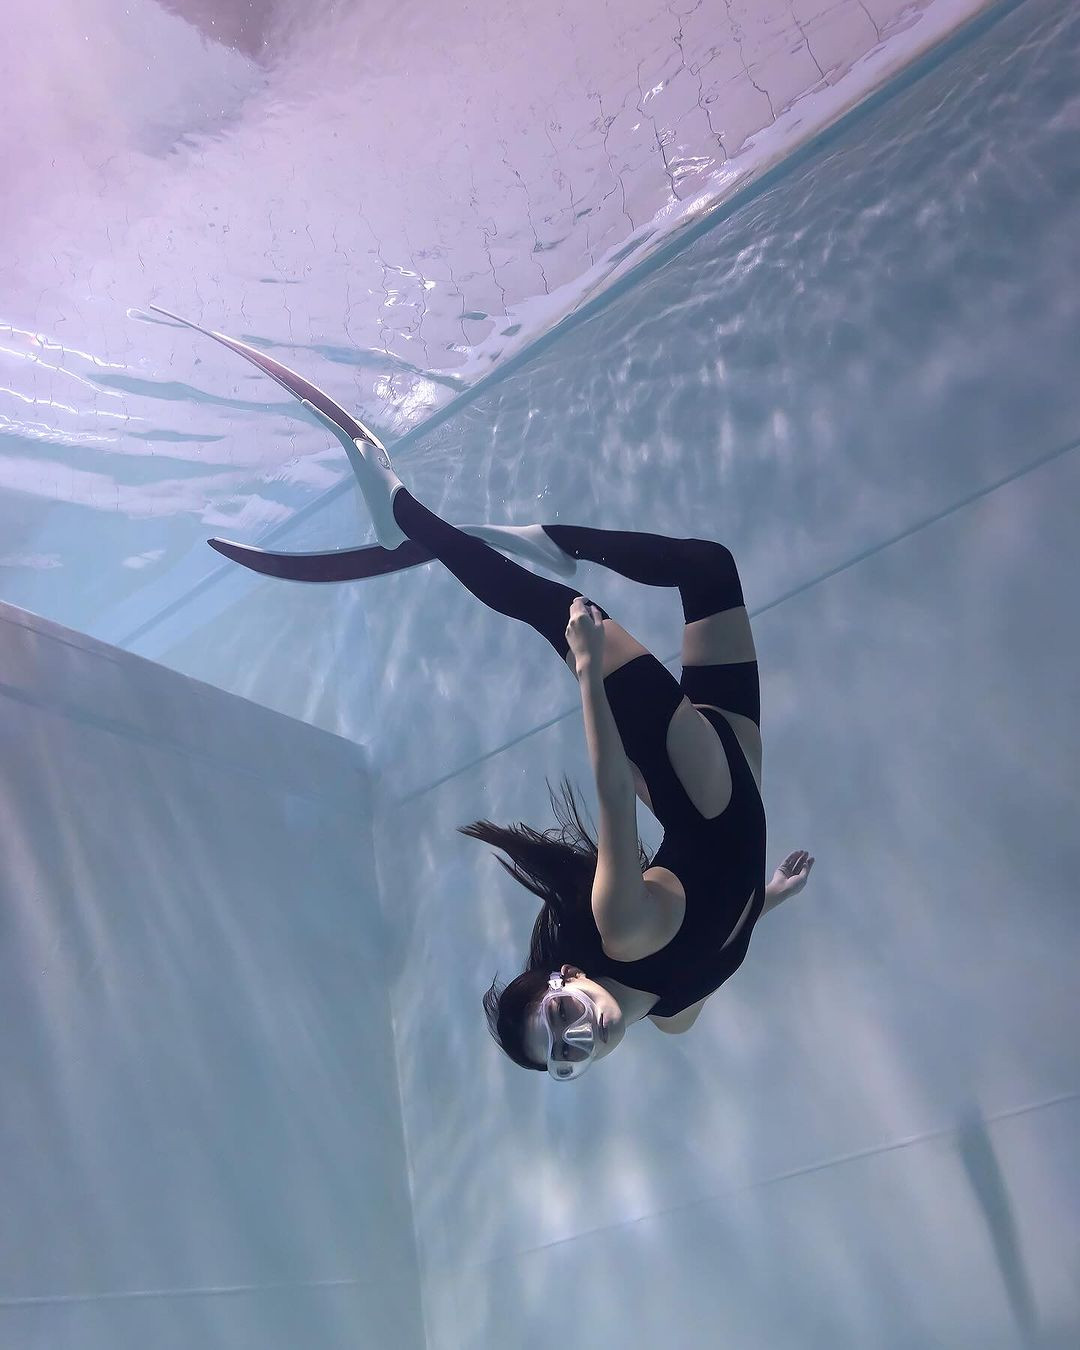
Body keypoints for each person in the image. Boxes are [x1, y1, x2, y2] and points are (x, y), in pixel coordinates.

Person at [157, 308, 815, 1082]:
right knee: (708, 570)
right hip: (737, 766)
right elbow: (727, 928)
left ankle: (405, 515)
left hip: (692, 777)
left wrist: (585, 670)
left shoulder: (622, 927)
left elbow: (613, 797)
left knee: (554, 609)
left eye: (560, 1021)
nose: (580, 1038)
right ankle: (542, 538)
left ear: (566, 979)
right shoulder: (677, 1016)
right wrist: (773, 894)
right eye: (566, 1059)